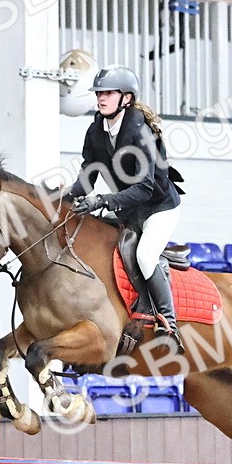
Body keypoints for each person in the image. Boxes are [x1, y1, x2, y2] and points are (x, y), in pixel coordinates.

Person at [65, 65, 186, 355]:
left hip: (158, 208)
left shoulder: (140, 133)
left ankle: (168, 323)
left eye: (108, 93)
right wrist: (64, 200)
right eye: (99, 93)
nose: (101, 98)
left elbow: (144, 188)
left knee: (145, 255)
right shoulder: (96, 129)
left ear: (126, 98)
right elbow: (88, 174)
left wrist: (103, 201)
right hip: (129, 208)